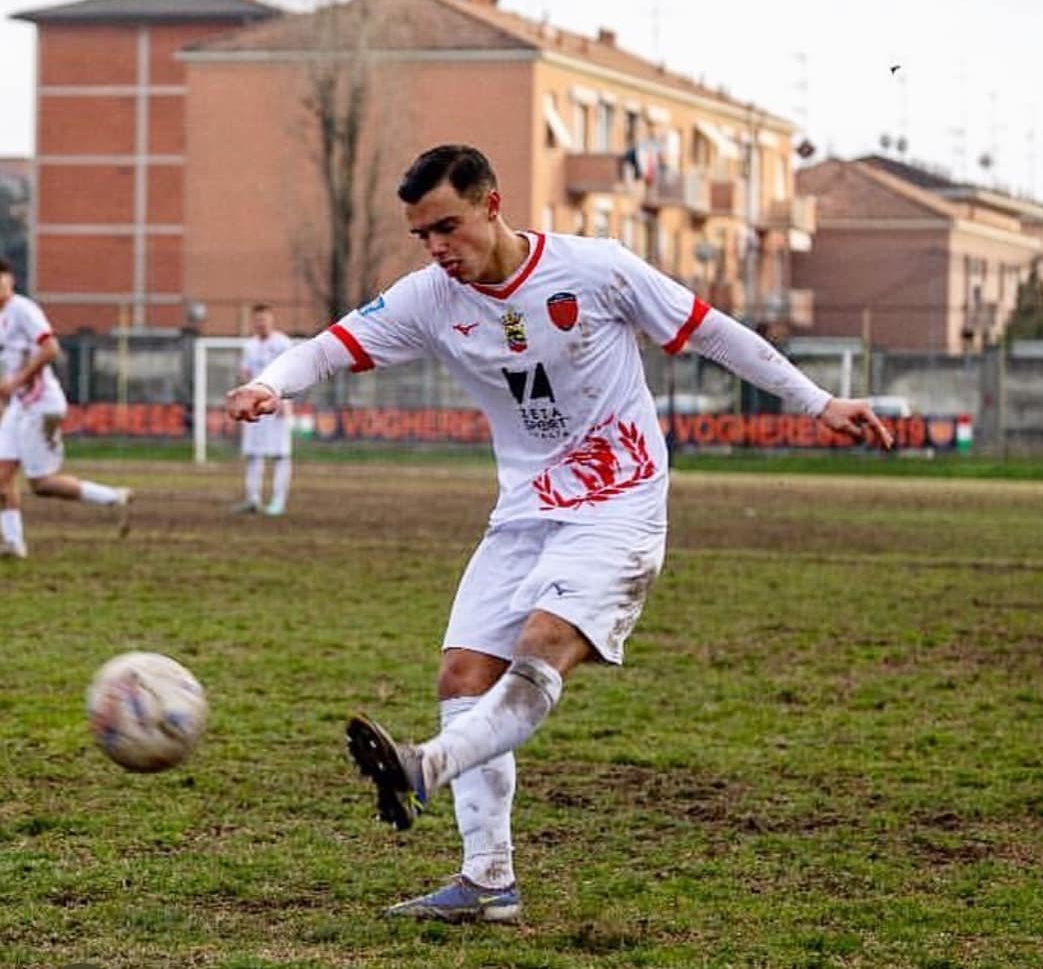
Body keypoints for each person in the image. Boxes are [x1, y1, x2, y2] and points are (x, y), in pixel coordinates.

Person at [226, 144, 893, 923]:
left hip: (621, 500)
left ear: (492, 204)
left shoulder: (594, 269)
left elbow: (713, 332)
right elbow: (332, 347)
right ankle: (487, 881)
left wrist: (817, 402)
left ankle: (425, 766)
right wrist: (269, 384)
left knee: (542, 646)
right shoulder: (431, 296)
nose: (438, 248)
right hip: (524, 510)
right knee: (462, 677)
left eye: (448, 227)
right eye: (422, 236)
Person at [0, 258, 132, 559]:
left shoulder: (23, 310)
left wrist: (17, 380)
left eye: (2, 278)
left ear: (11, 282)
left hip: (42, 405)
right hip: (20, 406)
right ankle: (13, 543)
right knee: (1, 476)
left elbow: (50, 348)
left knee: (42, 484)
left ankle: (112, 497)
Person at [232, 304, 294, 516]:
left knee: (280, 455)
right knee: (253, 454)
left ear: (272, 320)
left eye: (264, 319)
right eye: (257, 320)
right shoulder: (250, 347)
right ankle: (253, 499)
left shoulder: (283, 343)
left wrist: (284, 402)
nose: (261, 323)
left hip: (277, 406)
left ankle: (278, 502)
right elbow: (245, 374)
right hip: (254, 408)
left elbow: (291, 374)